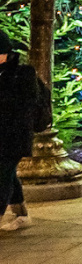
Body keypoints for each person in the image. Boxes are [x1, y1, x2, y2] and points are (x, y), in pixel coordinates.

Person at [0, 31, 48, 232]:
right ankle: (22, 214)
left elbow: (24, 106)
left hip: (14, 136)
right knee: (8, 175)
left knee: (1, 176)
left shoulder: (23, 74)